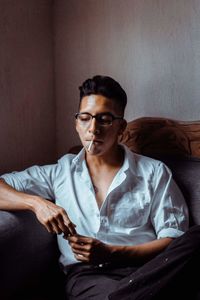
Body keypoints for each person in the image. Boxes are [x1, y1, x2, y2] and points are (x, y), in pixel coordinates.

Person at [0, 75, 200, 300]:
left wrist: (112, 252)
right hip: (89, 278)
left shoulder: (154, 172)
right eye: (85, 118)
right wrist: (36, 203)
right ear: (76, 123)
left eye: (104, 119)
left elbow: (174, 240)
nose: (93, 129)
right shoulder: (59, 172)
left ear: (121, 127)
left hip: (148, 272)